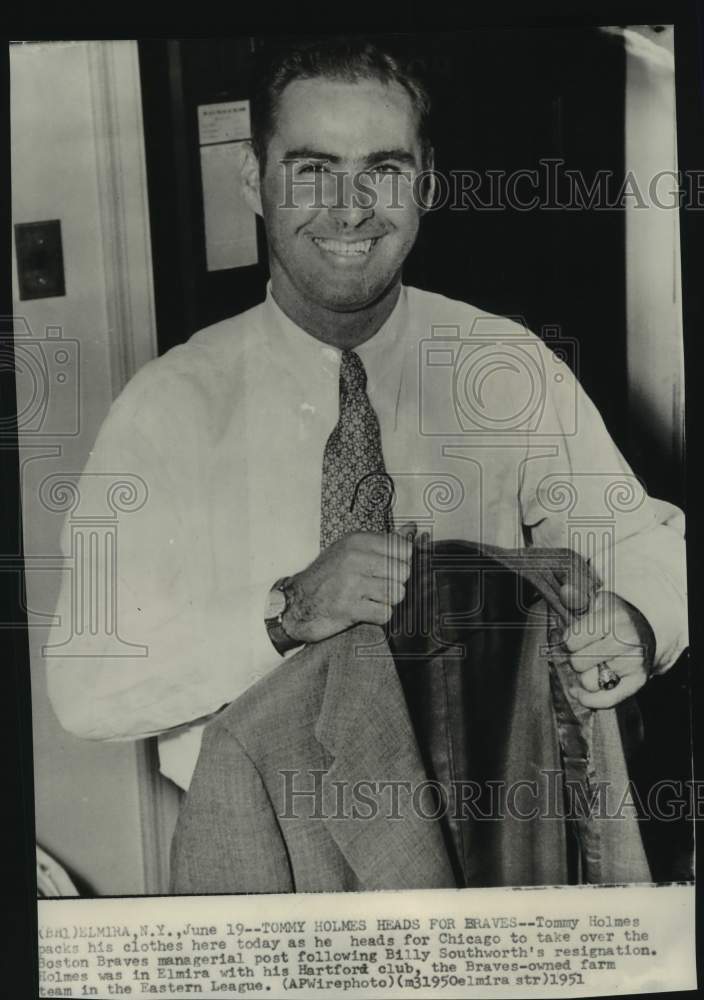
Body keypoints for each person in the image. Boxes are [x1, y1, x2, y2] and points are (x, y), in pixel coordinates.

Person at [46, 37, 687, 794]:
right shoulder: (168, 406)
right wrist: (284, 613)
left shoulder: (503, 363)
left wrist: (642, 620)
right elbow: (84, 685)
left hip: (482, 818)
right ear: (254, 180)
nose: (350, 212)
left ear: (426, 183)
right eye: (313, 171)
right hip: (262, 841)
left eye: (383, 171)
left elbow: (642, 539)